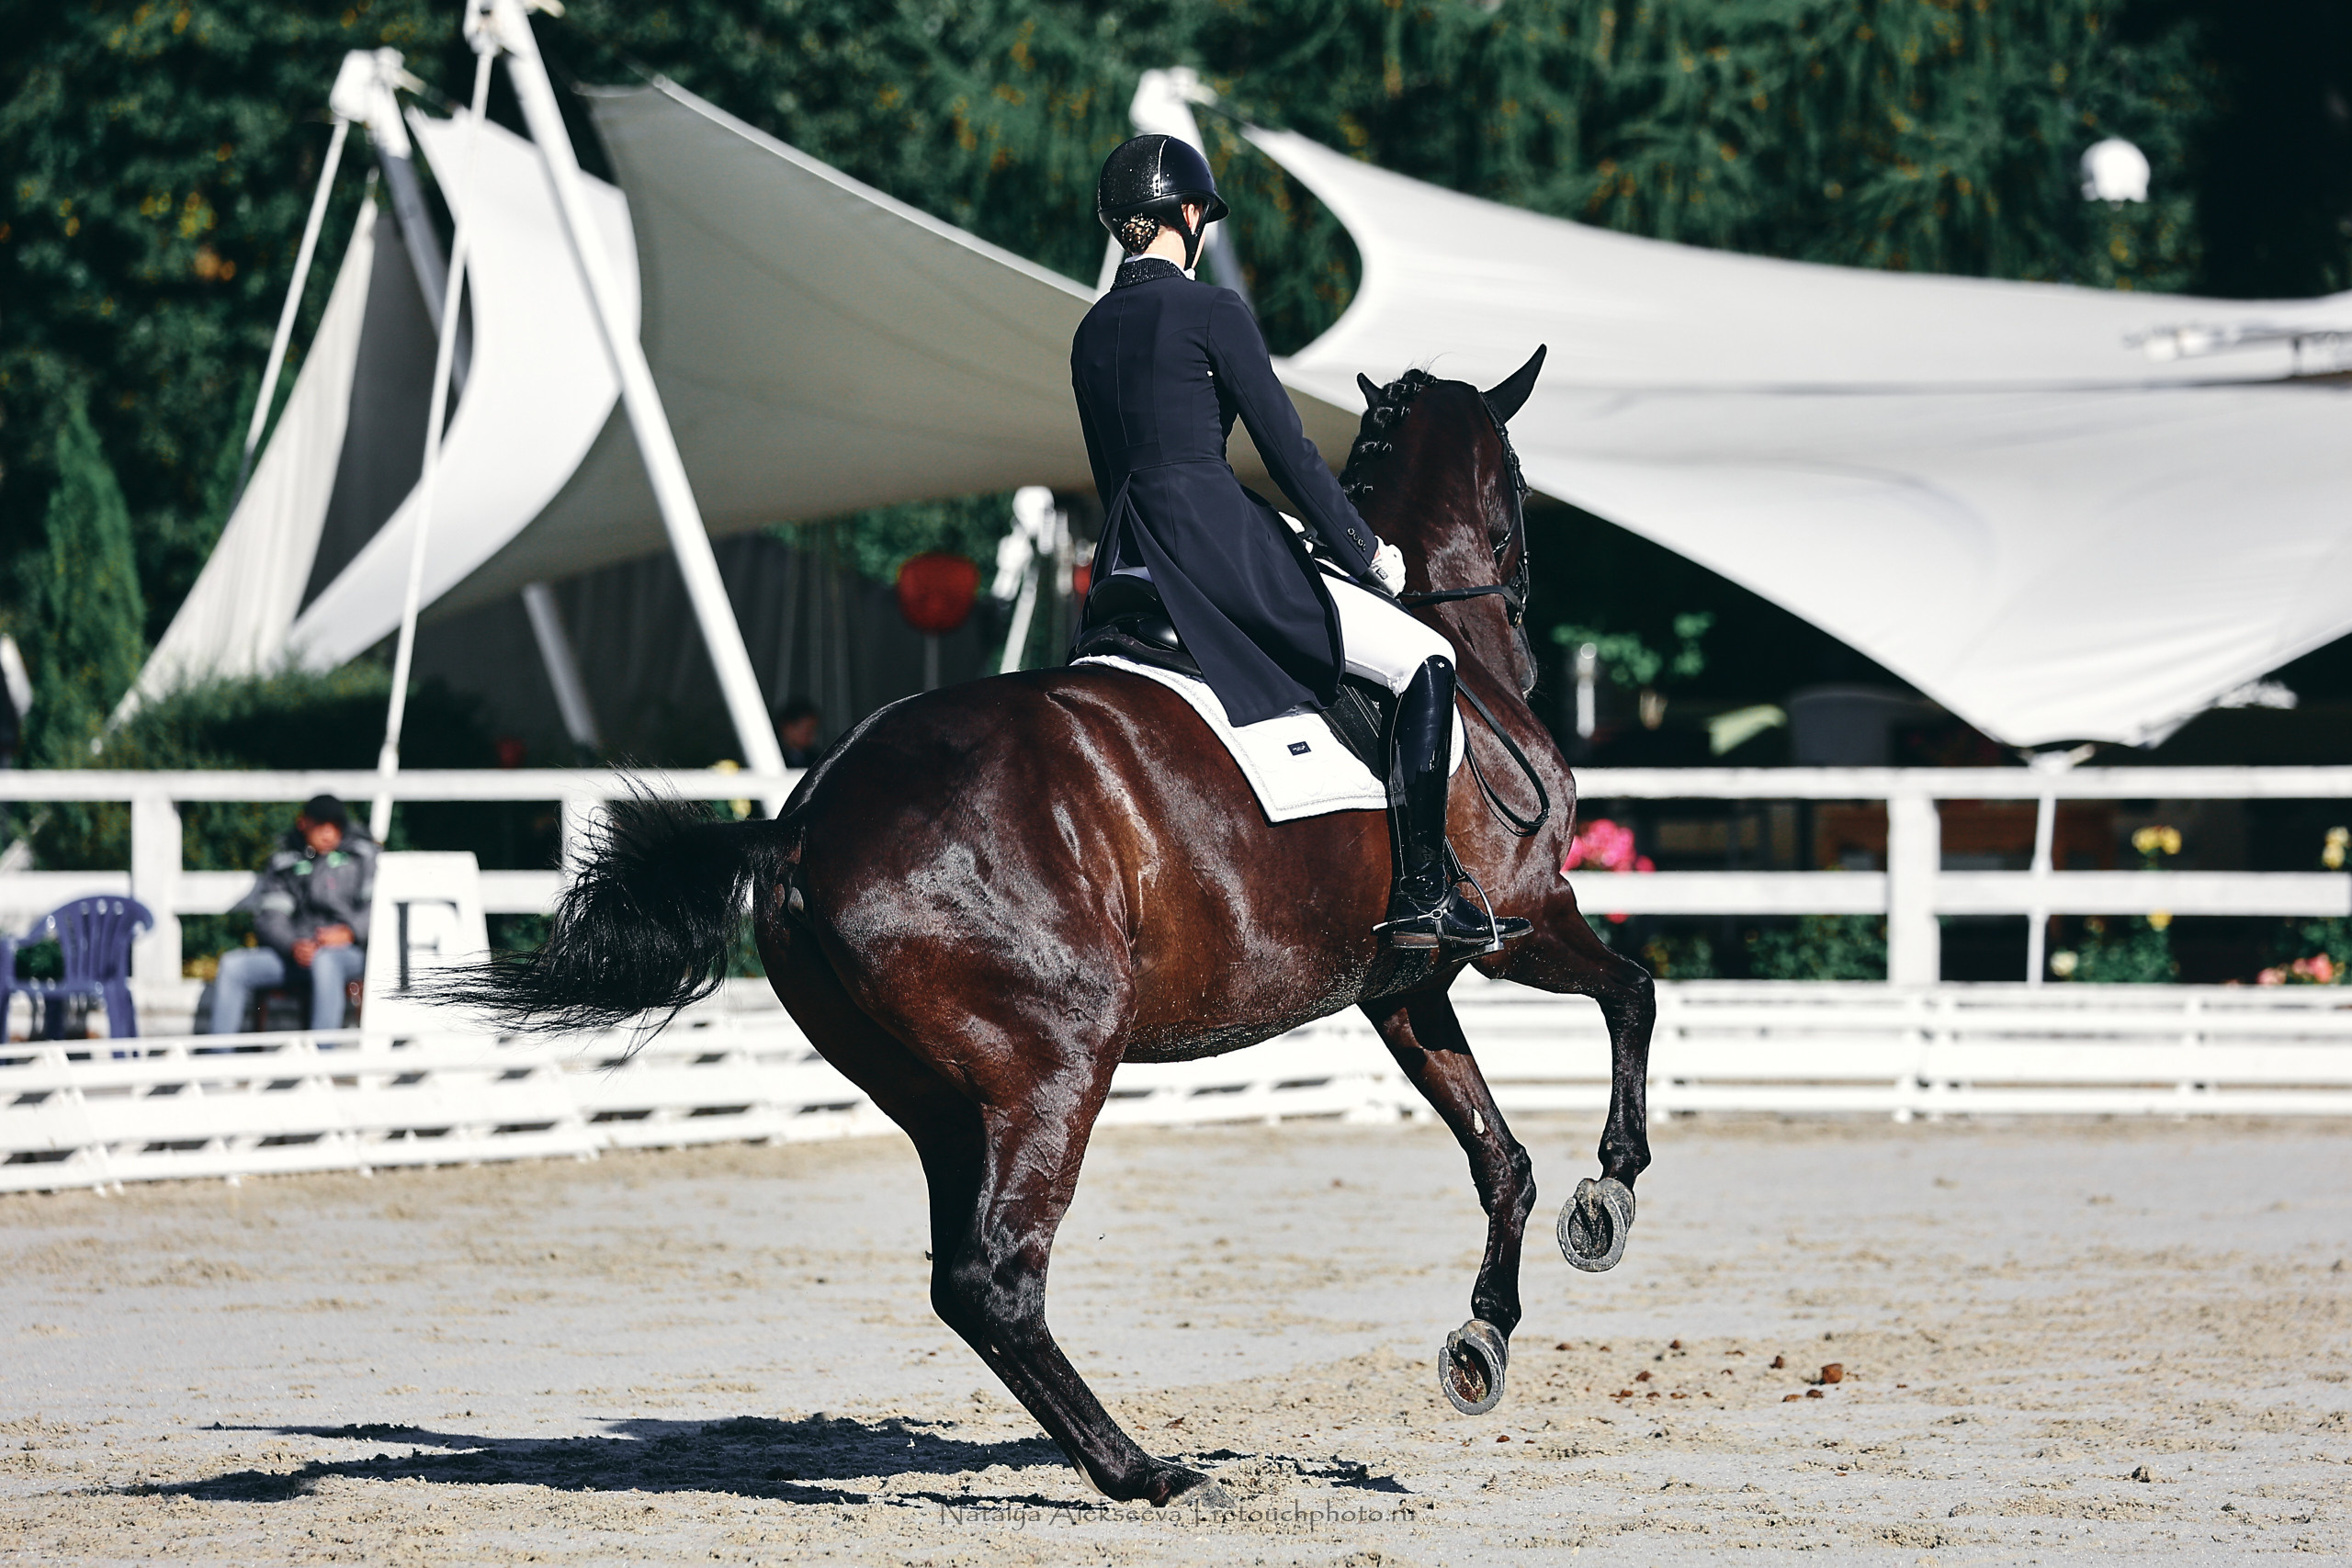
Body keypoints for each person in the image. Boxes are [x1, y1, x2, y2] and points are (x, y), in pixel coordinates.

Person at [1071, 136, 1528, 952]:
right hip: (1216, 546)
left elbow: (1120, 476)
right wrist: (1364, 550)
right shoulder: (1213, 311)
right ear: (1187, 214)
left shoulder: (1091, 330)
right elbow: (1287, 448)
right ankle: (1426, 890)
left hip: (1126, 560)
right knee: (1427, 660)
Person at [209, 795, 377, 1033]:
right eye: (321, 825)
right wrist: (293, 945)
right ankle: (218, 1062)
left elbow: (378, 908)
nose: (328, 833)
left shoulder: (362, 858)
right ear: (303, 823)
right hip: (298, 955)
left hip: (352, 954)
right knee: (233, 966)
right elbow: (271, 916)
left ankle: (320, 1061)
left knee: (326, 960)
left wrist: (349, 933)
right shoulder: (284, 862)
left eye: (335, 826)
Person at [775, 699, 823, 767]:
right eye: (807, 732)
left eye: (813, 731)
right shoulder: (773, 756)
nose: (812, 737)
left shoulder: (817, 759)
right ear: (789, 728)